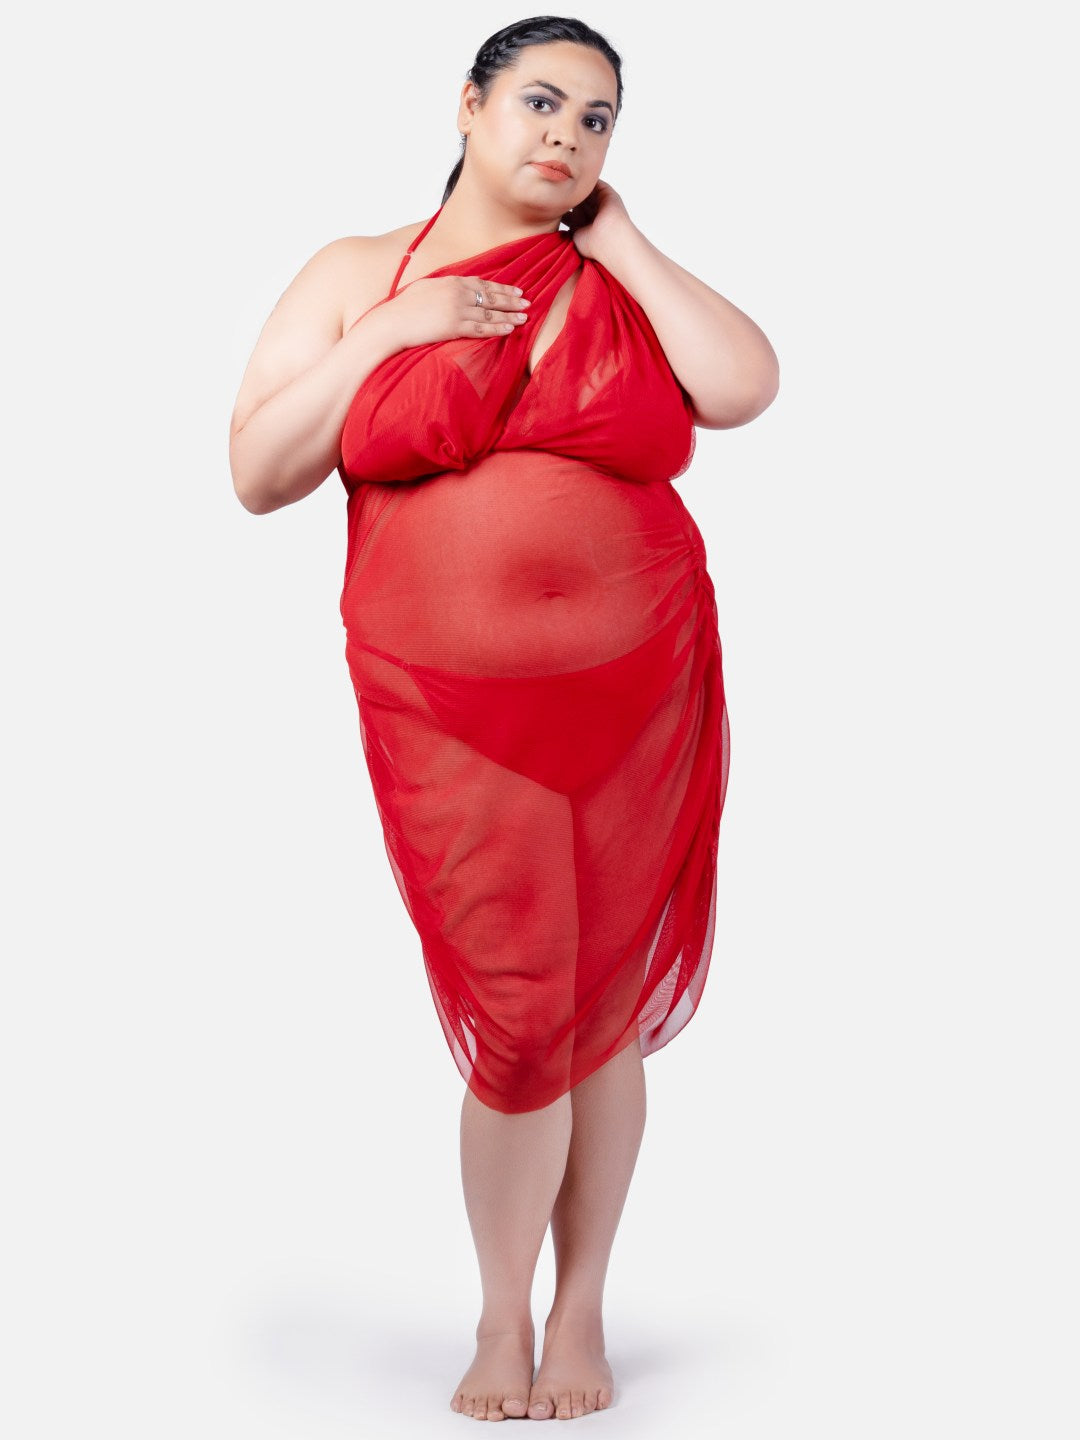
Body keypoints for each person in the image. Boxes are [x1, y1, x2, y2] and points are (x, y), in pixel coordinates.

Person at [229, 14, 778, 1423]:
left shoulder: (611, 273)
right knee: (528, 1013)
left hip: (638, 688)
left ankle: (580, 1309)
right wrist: (395, 332)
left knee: (602, 1015)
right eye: (541, 101)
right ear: (467, 107)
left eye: (598, 120)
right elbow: (259, 470)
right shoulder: (360, 271)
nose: (567, 136)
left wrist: (623, 241)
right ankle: (499, 1314)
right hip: (450, 708)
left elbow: (742, 386)